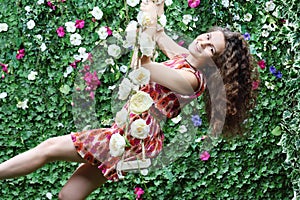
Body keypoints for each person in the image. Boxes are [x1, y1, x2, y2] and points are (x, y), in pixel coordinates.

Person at [0, 1, 258, 199]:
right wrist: (154, 7)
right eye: (208, 37)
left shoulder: (192, 79)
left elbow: (145, 64)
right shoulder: (185, 57)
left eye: (211, 49)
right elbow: (157, 34)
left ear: (214, 63)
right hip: (129, 135)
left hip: (133, 139)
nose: (203, 43)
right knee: (69, 195)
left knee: (48, 148)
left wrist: (148, 19)